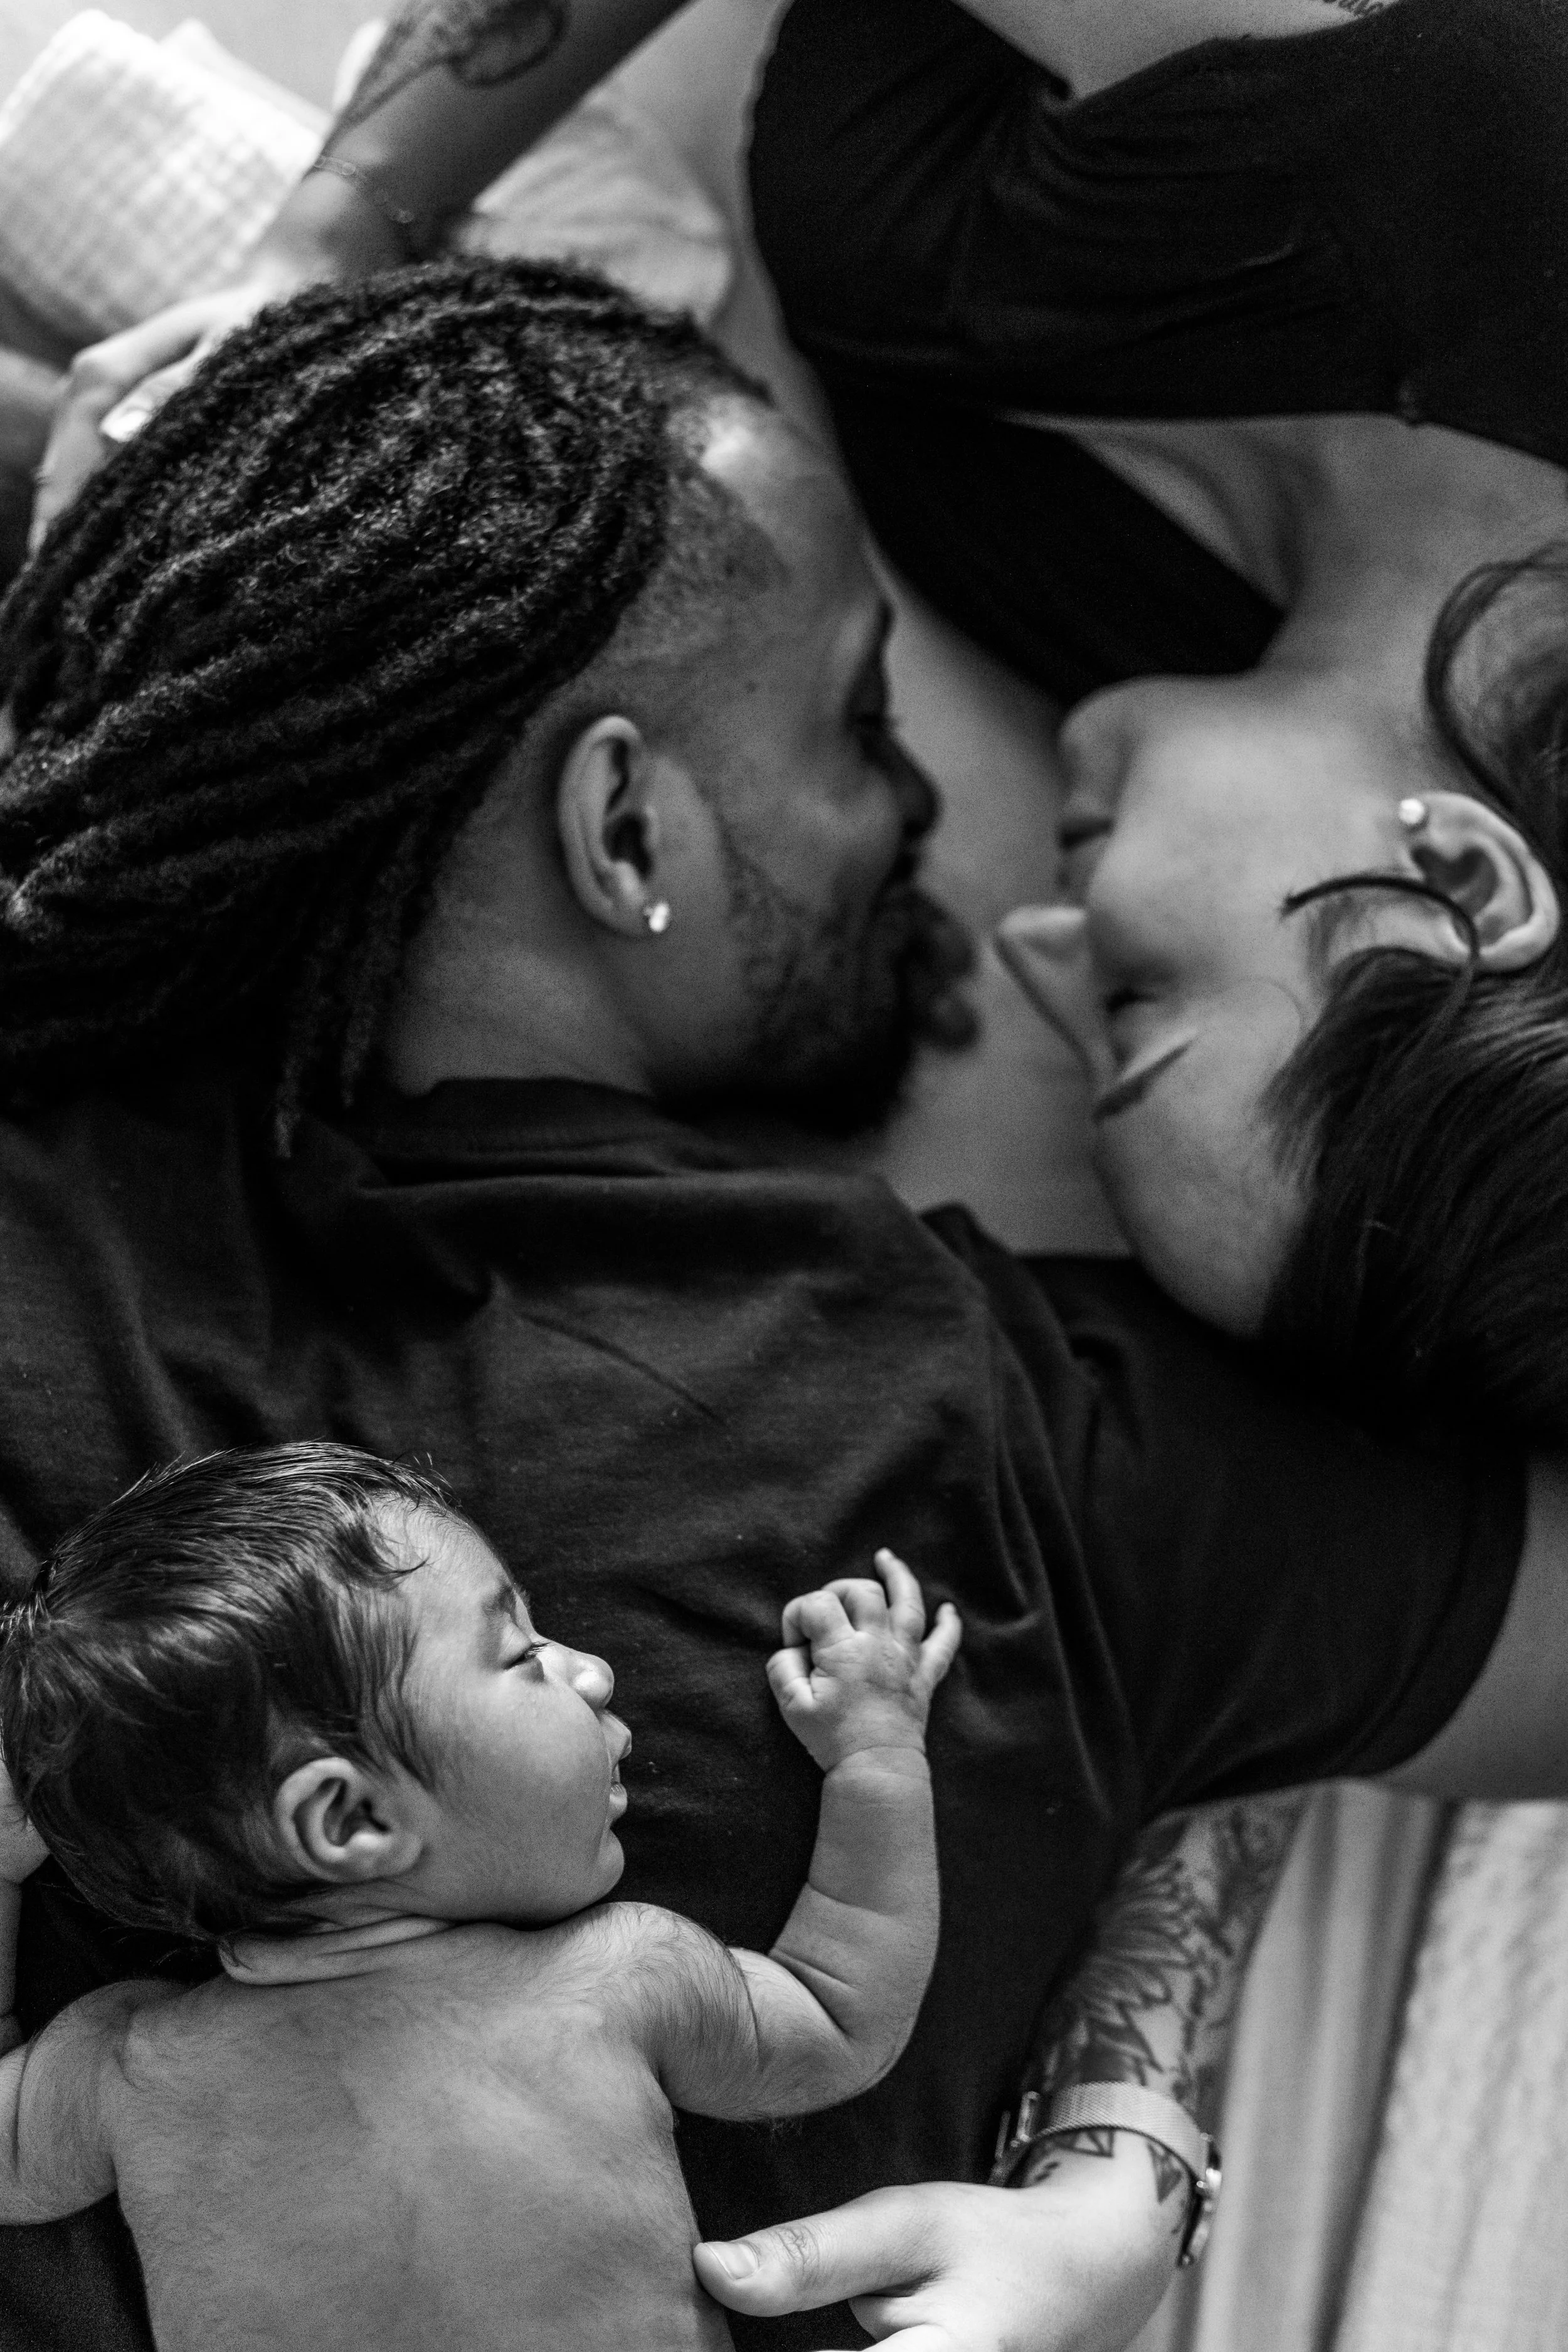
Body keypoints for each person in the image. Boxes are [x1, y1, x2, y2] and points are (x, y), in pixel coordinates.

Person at [0, 256, 1561, 2352]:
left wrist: (1127, 2156)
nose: (926, 814)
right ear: (625, 826)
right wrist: (1123, 2139)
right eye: (850, 724)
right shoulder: (1042, 1444)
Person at [33, 0, 1568, 1438]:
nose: (1040, 937)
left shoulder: (1126, 636)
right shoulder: (1483, 166)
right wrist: (339, 226)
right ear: (1461, 881)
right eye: (1138, 1005)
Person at [0, 1442, 960, 2351]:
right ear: (348, 1819)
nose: (593, 1670)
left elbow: (837, 2015)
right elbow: (838, 2003)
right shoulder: (609, 1978)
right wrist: (878, 1755)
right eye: (521, 1653)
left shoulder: (132, 2069)